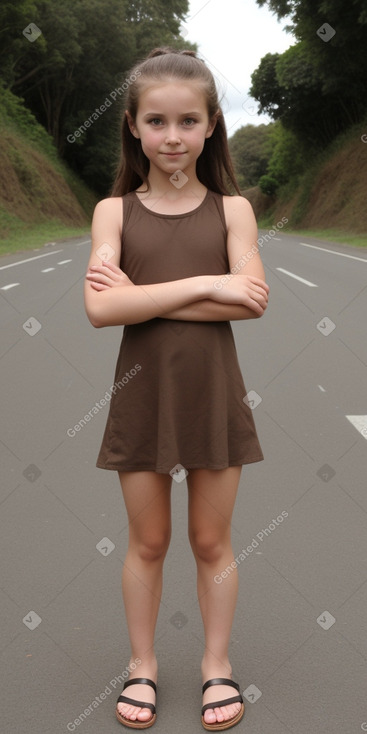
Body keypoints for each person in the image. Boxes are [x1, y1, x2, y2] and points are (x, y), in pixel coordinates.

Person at [84, 47, 269, 731]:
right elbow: (102, 309)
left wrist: (146, 295)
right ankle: (143, 666)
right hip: (141, 395)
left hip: (215, 394)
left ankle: (215, 665)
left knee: (212, 542)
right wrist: (202, 283)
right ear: (132, 125)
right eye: (156, 121)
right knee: (149, 542)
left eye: (187, 121)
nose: (171, 137)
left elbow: (250, 301)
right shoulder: (112, 213)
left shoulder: (232, 211)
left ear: (211, 125)